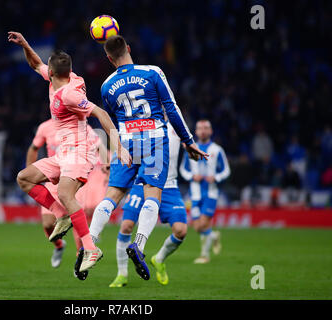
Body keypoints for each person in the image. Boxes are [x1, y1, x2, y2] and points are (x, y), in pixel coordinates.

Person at [84, 35, 208, 281]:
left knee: (112, 196)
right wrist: (188, 140)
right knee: (152, 193)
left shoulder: (107, 85)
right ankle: (138, 246)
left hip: (126, 143)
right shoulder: (152, 72)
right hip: (154, 140)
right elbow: (171, 108)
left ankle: (89, 244)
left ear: (109, 58)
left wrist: (115, 149)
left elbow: (110, 121)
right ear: (128, 48)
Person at [8, 31, 132, 273]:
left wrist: (117, 145)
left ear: (52, 73)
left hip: (80, 151)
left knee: (66, 193)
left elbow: (102, 113)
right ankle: (60, 215)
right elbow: (35, 64)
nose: (45, 70)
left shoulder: (70, 94)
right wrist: (24, 42)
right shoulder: (64, 79)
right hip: (63, 154)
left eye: (47, 69)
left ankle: (90, 248)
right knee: (24, 178)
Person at [109, 123, 188, 287]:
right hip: (143, 182)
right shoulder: (143, 122)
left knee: (181, 231)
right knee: (126, 226)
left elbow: (189, 143)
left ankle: (159, 259)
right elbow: (129, 146)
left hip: (169, 185)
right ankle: (122, 274)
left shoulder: (176, 124)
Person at [26, 119, 109, 271]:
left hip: (72, 174)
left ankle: (81, 256)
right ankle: (59, 246)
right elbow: (33, 148)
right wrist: (32, 169)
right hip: (53, 175)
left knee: (76, 217)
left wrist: (105, 166)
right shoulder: (45, 127)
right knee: (47, 224)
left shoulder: (80, 124)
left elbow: (98, 145)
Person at [180, 120, 230, 264]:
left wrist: (216, 177)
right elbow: (183, 169)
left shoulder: (217, 150)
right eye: (200, 128)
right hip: (195, 193)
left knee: (203, 224)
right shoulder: (191, 149)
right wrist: (191, 176)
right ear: (195, 132)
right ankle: (214, 236)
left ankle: (204, 255)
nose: (203, 130)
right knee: (197, 227)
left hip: (211, 193)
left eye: (206, 128)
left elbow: (226, 170)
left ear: (211, 131)